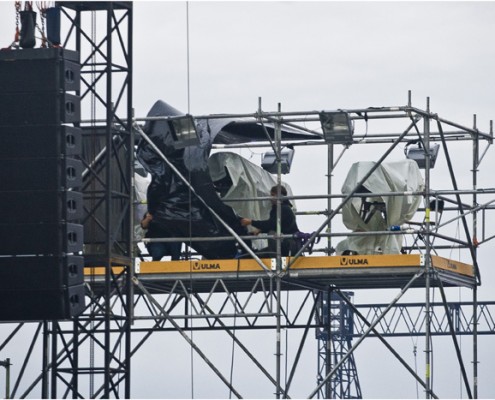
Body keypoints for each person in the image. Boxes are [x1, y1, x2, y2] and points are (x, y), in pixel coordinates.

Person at [240, 185, 301, 256]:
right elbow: (276, 225)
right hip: (287, 243)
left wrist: (251, 222)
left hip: (288, 245)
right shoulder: (281, 208)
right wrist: (260, 230)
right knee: (255, 255)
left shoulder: (284, 209)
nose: (270, 198)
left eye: (273, 195)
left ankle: (275, 256)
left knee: (272, 234)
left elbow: (271, 224)